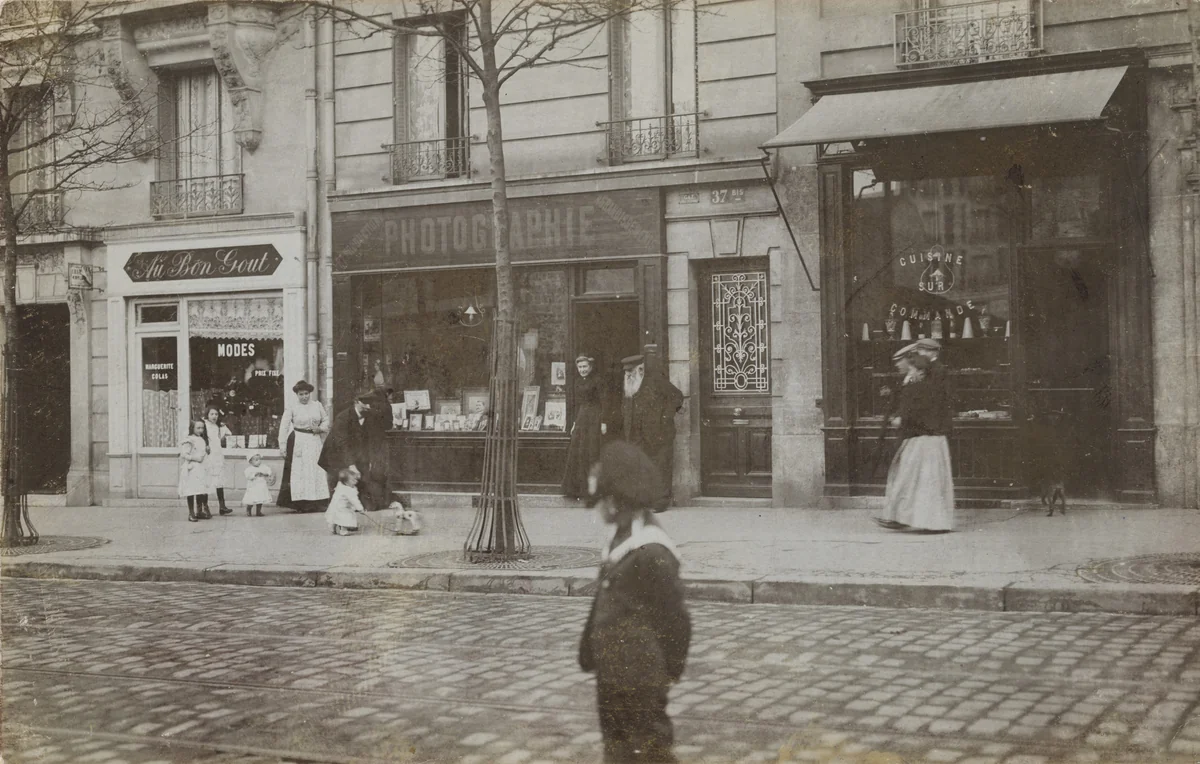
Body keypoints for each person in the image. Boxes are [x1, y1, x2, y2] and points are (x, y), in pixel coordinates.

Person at [579, 441, 691, 763]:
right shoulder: (619, 540)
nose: (597, 508)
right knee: (616, 748)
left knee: (649, 748)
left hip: (641, 676)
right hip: (611, 672)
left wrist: (667, 670)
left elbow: (675, 619)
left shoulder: (652, 551)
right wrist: (590, 649)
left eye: (601, 500)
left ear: (617, 502)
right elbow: (602, 602)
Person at [875, 338, 955, 533]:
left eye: (920, 352)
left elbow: (929, 405)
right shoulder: (928, 375)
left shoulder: (935, 373)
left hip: (926, 435)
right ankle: (902, 517)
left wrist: (904, 418)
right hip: (924, 435)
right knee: (914, 478)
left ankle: (922, 520)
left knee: (922, 479)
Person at [619, 355, 684, 511]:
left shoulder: (655, 381)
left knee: (660, 467)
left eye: (631, 371)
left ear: (640, 369)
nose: (628, 375)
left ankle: (660, 502)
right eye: (626, 372)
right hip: (635, 434)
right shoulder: (629, 384)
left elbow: (677, 396)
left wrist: (665, 417)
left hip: (659, 433)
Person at [319, 390, 378, 509]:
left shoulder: (369, 415)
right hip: (336, 456)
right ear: (356, 402)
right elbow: (342, 443)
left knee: (359, 482)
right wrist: (351, 465)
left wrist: (370, 460)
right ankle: (337, 518)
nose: (368, 406)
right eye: (365, 403)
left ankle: (357, 509)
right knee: (340, 488)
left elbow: (369, 440)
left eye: (370, 403)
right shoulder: (343, 417)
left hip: (354, 453)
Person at [277, 380, 331, 512]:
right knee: (300, 472)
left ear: (310, 393)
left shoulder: (317, 405)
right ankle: (301, 503)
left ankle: (318, 501)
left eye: (306, 393)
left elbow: (326, 420)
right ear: (297, 395)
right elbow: (283, 427)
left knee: (315, 470)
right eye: (301, 394)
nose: (304, 396)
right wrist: (282, 446)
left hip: (314, 441)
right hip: (299, 441)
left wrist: (319, 428)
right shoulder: (292, 407)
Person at [562, 355, 609, 500]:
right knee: (579, 452)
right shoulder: (577, 382)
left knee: (592, 451)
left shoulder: (598, 381)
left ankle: (593, 491)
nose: (582, 370)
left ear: (590, 367)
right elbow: (578, 403)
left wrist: (604, 422)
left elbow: (605, 402)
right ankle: (578, 489)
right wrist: (575, 422)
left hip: (595, 417)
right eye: (580, 367)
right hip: (582, 417)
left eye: (585, 367)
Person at [202, 406, 235, 515]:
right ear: (207, 414)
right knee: (206, 481)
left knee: (219, 481)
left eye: (216, 414)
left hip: (217, 456)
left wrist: (223, 427)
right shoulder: (204, 425)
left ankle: (222, 506)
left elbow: (230, 434)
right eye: (212, 414)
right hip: (208, 456)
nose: (214, 416)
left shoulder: (219, 426)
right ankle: (205, 507)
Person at [179, 420, 212, 522]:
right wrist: (196, 458)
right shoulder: (189, 440)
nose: (201, 430)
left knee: (200, 490)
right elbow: (184, 454)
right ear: (192, 428)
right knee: (191, 490)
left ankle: (199, 511)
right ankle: (191, 513)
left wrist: (207, 450)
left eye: (202, 428)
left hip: (201, 468)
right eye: (198, 428)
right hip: (192, 468)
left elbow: (202, 453)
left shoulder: (201, 439)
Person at [325, 466, 363, 536]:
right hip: (342, 508)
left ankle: (332, 527)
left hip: (335, 505)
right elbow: (355, 501)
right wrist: (360, 509)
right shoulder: (349, 490)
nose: (356, 481)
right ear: (346, 482)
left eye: (356, 479)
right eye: (353, 480)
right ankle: (343, 530)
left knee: (335, 517)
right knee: (345, 518)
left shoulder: (341, 485)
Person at [243, 453, 273, 517]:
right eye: (256, 460)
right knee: (252, 499)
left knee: (260, 499)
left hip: (261, 486)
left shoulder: (263, 466)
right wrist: (254, 475)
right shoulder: (249, 469)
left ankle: (258, 511)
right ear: (250, 462)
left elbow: (269, 471)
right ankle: (248, 509)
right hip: (253, 487)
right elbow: (247, 476)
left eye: (259, 459)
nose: (259, 461)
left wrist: (265, 474)